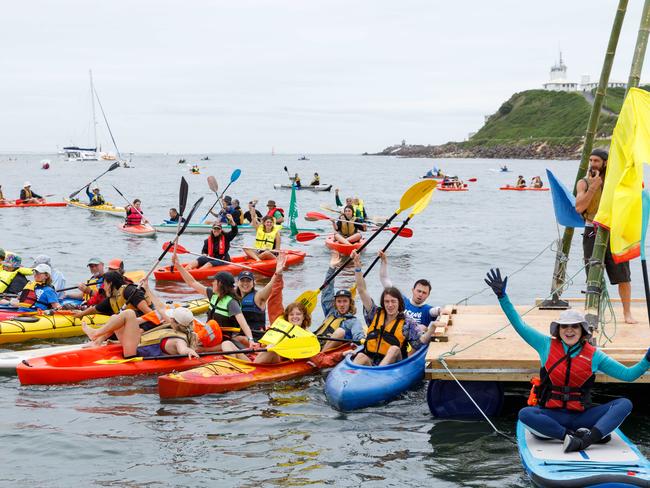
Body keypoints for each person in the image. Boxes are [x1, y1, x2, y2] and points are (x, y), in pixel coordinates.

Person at [485, 268, 649, 453]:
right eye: (564, 327)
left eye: (574, 327)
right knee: (525, 414)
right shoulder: (545, 345)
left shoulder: (594, 355)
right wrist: (502, 297)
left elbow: (628, 375)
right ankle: (569, 436)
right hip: (552, 416)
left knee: (624, 404)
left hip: (582, 416)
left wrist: (647, 360)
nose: (569, 330)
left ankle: (587, 439)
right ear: (558, 330)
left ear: (582, 331)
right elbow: (519, 324)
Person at [576, 149, 635, 323]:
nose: (593, 164)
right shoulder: (584, 183)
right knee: (593, 274)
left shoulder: (615, 182)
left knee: (623, 275)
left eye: (596, 161)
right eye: (591, 160)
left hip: (613, 231)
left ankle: (627, 313)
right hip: (592, 231)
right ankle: (594, 312)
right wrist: (593, 187)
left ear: (605, 163)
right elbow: (579, 207)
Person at [351, 250, 436, 366]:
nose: (390, 305)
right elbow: (361, 290)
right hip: (371, 362)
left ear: (399, 303)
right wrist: (357, 268)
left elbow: (418, 343)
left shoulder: (407, 322)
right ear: (383, 302)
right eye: (386, 302)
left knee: (394, 349)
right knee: (360, 356)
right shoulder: (374, 313)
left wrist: (431, 330)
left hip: (394, 365)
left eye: (393, 302)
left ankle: (379, 375)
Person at [81, 284, 200, 360]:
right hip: (135, 344)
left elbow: (182, 349)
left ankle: (96, 334)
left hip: (134, 352)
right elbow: (161, 307)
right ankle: (97, 340)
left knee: (129, 314)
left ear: (175, 321)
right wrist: (147, 288)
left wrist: (189, 351)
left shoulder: (179, 340)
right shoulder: (174, 326)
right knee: (114, 318)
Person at [172, 251, 255, 349]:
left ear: (220, 284)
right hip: (210, 333)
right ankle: (189, 341)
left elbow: (243, 323)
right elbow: (192, 282)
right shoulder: (213, 294)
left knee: (207, 331)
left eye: (214, 281)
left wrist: (251, 340)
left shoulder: (231, 302)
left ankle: (199, 346)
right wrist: (178, 266)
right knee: (185, 320)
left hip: (222, 339)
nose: (212, 283)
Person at [316, 252, 365, 351]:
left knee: (340, 332)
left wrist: (362, 340)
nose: (342, 304)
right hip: (315, 344)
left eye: (345, 301)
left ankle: (320, 355)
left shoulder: (353, 322)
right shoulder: (330, 312)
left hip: (329, 351)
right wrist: (332, 268)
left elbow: (358, 336)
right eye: (339, 301)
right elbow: (327, 290)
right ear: (335, 303)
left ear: (350, 303)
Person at [379, 251, 441, 326]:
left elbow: (436, 311)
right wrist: (384, 262)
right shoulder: (402, 300)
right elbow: (384, 279)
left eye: (424, 293)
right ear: (413, 290)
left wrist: (441, 310)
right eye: (419, 291)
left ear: (428, 295)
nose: (420, 294)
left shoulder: (428, 310)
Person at [72, 271, 153, 319]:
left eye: (104, 284)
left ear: (110, 284)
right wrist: (80, 314)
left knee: (115, 318)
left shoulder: (129, 291)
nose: (103, 288)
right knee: (115, 320)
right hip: (131, 324)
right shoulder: (112, 298)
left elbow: (150, 314)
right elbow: (94, 309)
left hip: (147, 322)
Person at [236, 269, 278, 334]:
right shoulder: (234, 297)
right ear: (237, 283)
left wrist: (277, 273)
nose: (245, 283)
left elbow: (270, 286)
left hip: (256, 336)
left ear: (253, 283)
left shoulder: (258, 297)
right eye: (242, 281)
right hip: (238, 333)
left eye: (248, 281)